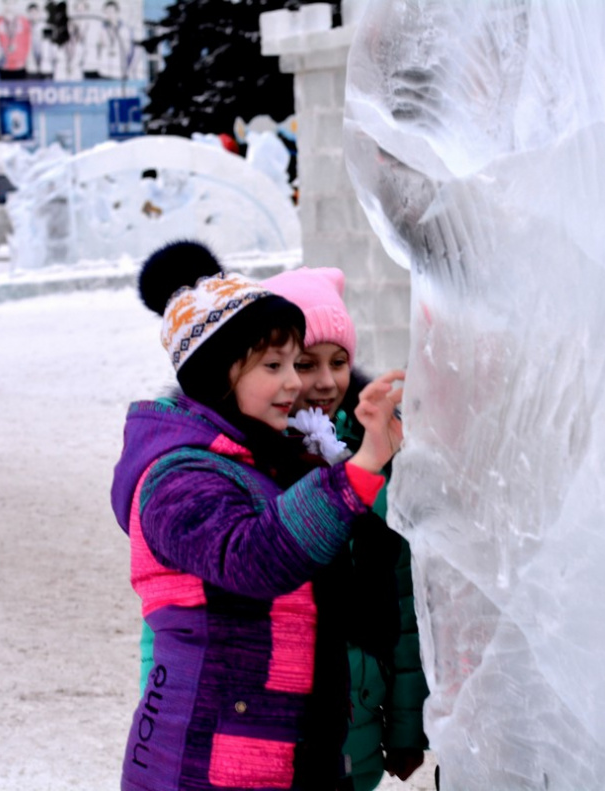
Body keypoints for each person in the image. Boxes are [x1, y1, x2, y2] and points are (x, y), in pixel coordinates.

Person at [111, 240, 405, 791]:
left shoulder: (259, 458)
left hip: (287, 750)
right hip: (205, 760)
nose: (295, 383)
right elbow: (255, 557)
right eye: (275, 365)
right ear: (220, 374)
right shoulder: (176, 477)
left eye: (295, 363)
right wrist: (362, 467)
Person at [266, 266, 430, 791]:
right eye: (304, 363)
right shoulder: (248, 465)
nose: (325, 381)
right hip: (277, 725)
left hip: (358, 722)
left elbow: (405, 605)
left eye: (339, 362)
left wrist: (407, 727)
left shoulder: (379, 449)